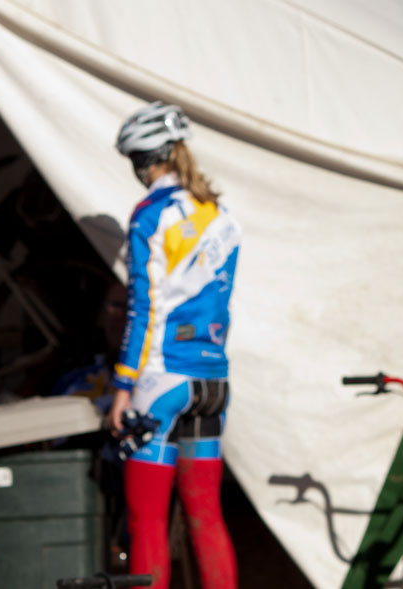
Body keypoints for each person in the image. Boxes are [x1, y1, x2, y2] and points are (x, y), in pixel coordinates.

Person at [107, 101, 241, 589]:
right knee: (207, 514)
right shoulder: (220, 214)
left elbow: (144, 310)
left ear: (145, 161)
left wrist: (123, 386)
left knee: (148, 521)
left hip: (163, 379)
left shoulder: (150, 216)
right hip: (213, 379)